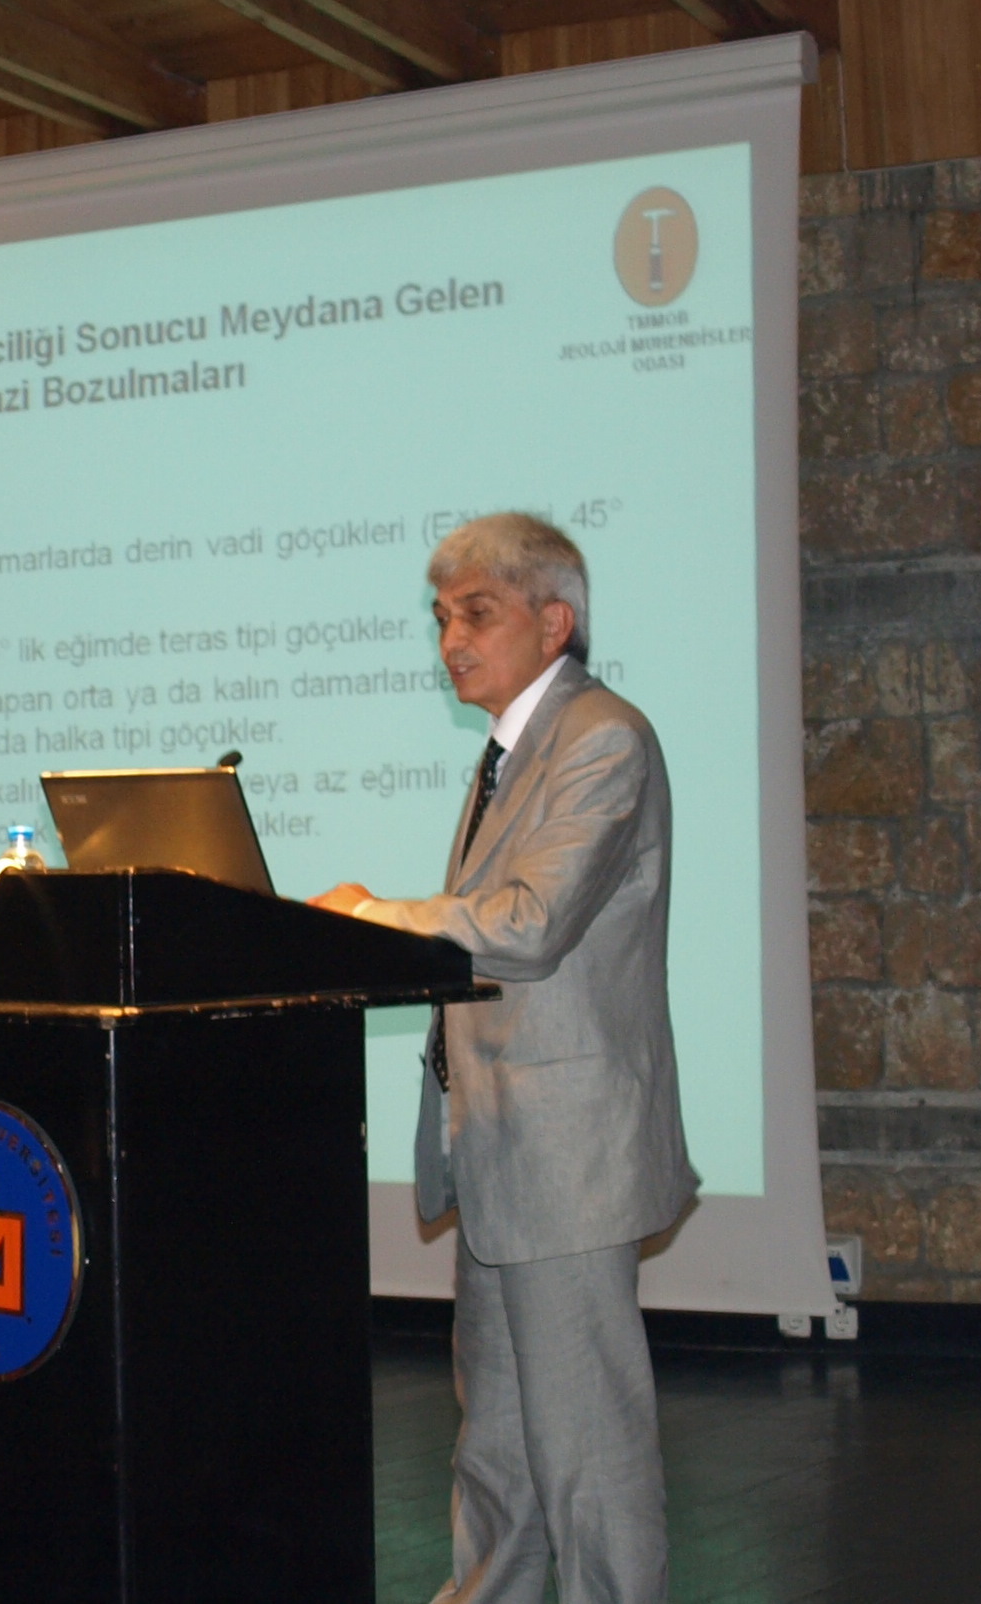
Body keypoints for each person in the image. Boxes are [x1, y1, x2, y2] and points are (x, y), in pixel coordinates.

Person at [310, 513, 695, 1604]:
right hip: (498, 1145)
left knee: (587, 1451)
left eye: (476, 614)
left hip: (566, 1156)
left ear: (553, 620)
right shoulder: (512, 752)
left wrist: (369, 915)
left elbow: (527, 927)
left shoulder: (602, 738)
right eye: (441, 617)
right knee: (499, 1446)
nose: (451, 640)